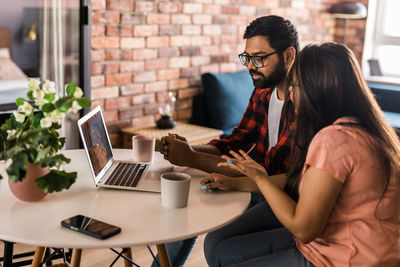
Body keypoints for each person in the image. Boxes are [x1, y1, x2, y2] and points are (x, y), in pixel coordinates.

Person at [211, 42, 400, 266]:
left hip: (341, 259)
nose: (290, 94)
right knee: (221, 250)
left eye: (295, 86)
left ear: (318, 89)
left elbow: (303, 228)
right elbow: (300, 181)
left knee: (222, 252)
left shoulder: (335, 139)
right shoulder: (367, 128)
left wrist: (260, 178)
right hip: (330, 244)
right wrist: (238, 181)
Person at [152, 15, 299, 267]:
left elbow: (288, 180)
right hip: (260, 185)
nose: (250, 66)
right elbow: (236, 141)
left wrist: (192, 157)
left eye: (259, 58)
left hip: (285, 198)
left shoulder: (305, 104)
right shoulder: (263, 91)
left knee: (212, 231)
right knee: (192, 197)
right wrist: (187, 149)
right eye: (247, 58)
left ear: (288, 56)